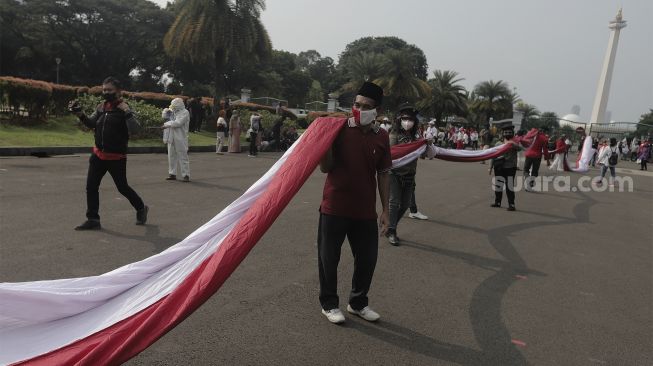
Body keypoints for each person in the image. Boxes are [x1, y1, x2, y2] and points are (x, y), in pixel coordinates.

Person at [317, 81, 390, 324]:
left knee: (367, 259)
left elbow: (384, 174)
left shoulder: (382, 137)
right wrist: (324, 145)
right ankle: (329, 304)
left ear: (377, 111)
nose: (359, 109)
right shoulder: (338, 128)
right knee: (329, 258)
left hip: (364, 211)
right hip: (334, 207)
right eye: (356, 104)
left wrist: (386, 210)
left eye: (366, 106)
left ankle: (358, 303)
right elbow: (325, 168)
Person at [68, 76, 148, 230]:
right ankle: (93, 219)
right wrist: (80, 114)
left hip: (116, 157)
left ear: (118, 91)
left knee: (122, 187)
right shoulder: (101, 107)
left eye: (109, 90)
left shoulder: (124, 108)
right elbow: (92, 123)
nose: (106, 92)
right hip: (98, 155)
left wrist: (127, 112)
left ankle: (141, 208)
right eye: (104, 90)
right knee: (91, 186)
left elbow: (136, 130)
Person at [386, 105, 422, 246]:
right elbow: (391, 154)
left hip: (409, 176)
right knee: (394, 203)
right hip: (394, 174)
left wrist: (428, 145)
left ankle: (389, 223)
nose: (408, 122)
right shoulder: (393, 136)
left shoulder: (416, 138)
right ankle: (392, 230)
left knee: (406, 204)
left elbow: (424, 154)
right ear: (399, 119)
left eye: (411, 119)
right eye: (405, 118)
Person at [490, 125, 521, 211]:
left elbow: (520, 149)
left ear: (513, 133)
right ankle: (497, 202)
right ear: (502, 134)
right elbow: (493, 155)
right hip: (499, 167)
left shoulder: (514, 143)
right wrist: (490, 167)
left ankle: (511, 204)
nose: (507, 134)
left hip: (510, 167)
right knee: (498, 185)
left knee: (509, 186)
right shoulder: (498, 144)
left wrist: (512, 144)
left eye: (509, 132)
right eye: (506, 132)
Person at [163, 98, 191, 182]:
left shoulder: (185, 112)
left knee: (183, 156)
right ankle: (172, 173)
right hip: (171, 137)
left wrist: (166, 124)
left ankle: (186, 175)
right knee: (171, 156)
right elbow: (164, 116)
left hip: (180, 137)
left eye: (174, 106)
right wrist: (166, 111)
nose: (173, 108)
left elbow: (178, 123)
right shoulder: (173, 112)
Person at [523, 127, 550, 192]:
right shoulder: (545, 138)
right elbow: (545, 150)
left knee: (526, 170)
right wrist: (547, 159)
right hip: (537, 156)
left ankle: (527, 180)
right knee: (534, 171)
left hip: (529, 154)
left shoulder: (531, 134)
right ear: (545, 131)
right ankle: (530, 183)